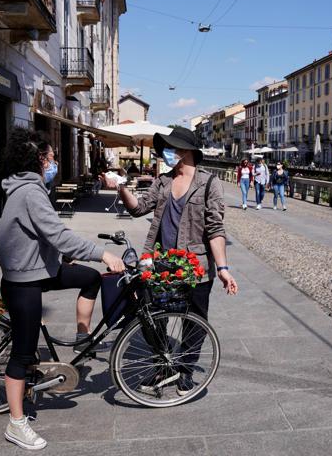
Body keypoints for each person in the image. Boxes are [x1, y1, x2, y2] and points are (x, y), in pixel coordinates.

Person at [0, 127, 125, 451]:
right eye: (52, 156)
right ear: (39, 158)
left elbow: (41, 235)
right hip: (23, 278)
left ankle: (83, 339)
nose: (54, 161)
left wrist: (63, 256)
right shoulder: (30, 192)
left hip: (38, 268)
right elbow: (57, 233)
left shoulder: (29, 188)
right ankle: (16, 423)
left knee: (90, 278)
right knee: (23, 354)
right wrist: (102, 253)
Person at [101, 126, 238, 395]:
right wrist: (120, 188)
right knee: (155, 318)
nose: (165, 153)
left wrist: (222, 268)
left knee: (195, 319)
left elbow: (215, 229)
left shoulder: (209, 183)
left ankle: (185, 371)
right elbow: (138, 208)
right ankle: (164, 367)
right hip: (161, 263)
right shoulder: (163, 182)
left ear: (185, 151)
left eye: (171, 148)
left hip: (196, 265)